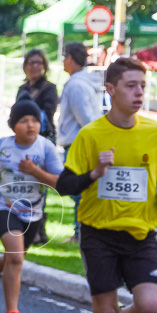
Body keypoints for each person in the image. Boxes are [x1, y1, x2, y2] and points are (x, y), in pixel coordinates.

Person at [55, 57, 157, 313]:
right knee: (103, 311)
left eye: (143, 86)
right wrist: (94, 173)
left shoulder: (154, 131)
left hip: (141, 234)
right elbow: (64, 184)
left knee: (151, 306)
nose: (139, 93)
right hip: (99, 234)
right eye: (131, 86)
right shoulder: (91, 135)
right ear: (110, 89)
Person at [0, 100, 64, 313]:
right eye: (23, 121)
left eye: (34, 120)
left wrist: (35, 172)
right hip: (5, 207)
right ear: (14, 125)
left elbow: (59, 182)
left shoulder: (45, 148)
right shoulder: (3, 145)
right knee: (15, 255)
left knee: (16, 257)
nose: (30, 125)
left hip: (34, 212)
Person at [57, 42, 100, 243]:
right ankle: (81, 231)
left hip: (77, 143)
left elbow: (85, 117)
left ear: (72, 59)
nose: (64, 61)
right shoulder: (81, 82)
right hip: (77, 141)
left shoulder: (76, 85)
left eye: (65, 56)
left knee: (77, 189)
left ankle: (81, 232)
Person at [16, 48, 59, 143]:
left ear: (44, 66)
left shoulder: (49, 88)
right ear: (25, 66)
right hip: (23, 137)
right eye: (31, 63)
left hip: (42, 137)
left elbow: (49, 114)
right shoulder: (22, 88)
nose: (35, 66)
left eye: (39, 63)